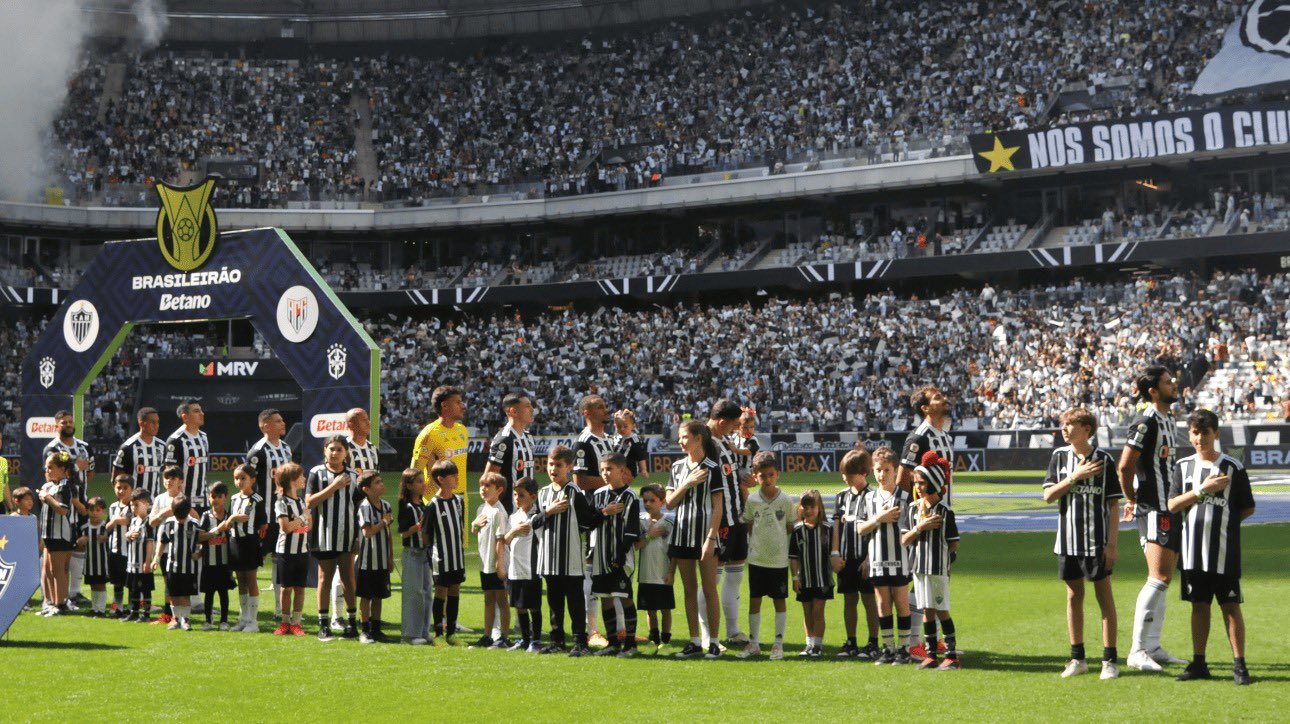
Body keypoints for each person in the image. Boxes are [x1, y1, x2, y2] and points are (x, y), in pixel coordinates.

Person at [1167, 409, 1256, 686]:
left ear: (1216, 434)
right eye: (1195, 432)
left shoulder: (1233, 467)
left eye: (1205, 433)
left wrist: (1223, 525)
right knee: (1199, 606)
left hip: (1224, 552)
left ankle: (1239, 665)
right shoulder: (1182, 467)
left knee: (1230, 606)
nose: (1200, 438)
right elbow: (1172, 505)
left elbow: (1247, 508)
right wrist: (1202, 491)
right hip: (1193, 553)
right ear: (1189, 434)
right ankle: (1199, 662)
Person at [1043, 408, 1122, 680]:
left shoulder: (1104, 460)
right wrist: (1074, 477)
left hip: (1096, 543)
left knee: (1104, 598)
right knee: (1073, 597)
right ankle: (1078, 658)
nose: (1064, 429)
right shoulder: (1059, 457)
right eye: (1063, 424)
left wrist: (1112, 545)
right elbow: (1048, 496)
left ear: (1086, 429)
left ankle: (1110, 660)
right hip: (1067, 542)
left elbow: (1113, 505)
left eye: (1070, 424)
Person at [1119, 366, 1187, 672]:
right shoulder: (1146, 421)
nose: (1174, 385)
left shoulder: (1168, 418)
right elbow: (1125, 466)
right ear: (1153, 391)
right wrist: (1133, 500)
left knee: (1165, 579)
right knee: (1157, 578)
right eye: (1168, 382)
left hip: (1169, 508)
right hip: (1154, 509)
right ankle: (1136, 650)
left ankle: (1154, 645)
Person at [529, 445, 617, 656]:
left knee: (575, 603)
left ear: (568, 467)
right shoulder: (543, 494)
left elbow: (587, 521)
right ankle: (557, 640)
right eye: (550, 464)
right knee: (554, 603)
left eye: (558, 465)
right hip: (548, 559)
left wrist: (605, 512)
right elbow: (533, 521)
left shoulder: (573, 492)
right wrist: (548, 512)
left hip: (571, 560)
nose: (553, 469)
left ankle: (580, 642)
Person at [898, 385, 954, 657]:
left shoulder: (945, 435)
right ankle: (913, 642)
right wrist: (917, 512)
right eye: (937, 398)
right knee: (918, 580)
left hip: (942, 516)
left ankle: (931, 642)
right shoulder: (919, 437)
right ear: (925, 408)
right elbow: (903, 477)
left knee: (937, 581)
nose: (944, 399)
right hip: (923, 519)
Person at [665, 419, 724, 659]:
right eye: (679, 437)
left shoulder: (712, 467)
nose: (680, 441)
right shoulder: (677, 468)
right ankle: (694, 641)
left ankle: (715, 642)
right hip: (681, 535)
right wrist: (687, 484)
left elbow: (718, 507)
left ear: (698, 438)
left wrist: (711, 538)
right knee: (689, 591)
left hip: (704, 537)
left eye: (684, 437)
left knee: (709, 590)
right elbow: (669, 502)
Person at [901, 452, 960, 670]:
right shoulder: (912, 510)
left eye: (922, 482)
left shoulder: (945, 513)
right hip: (919, 568)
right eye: (916, 483)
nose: (919, 487)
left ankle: (952, 656)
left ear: (934, 482)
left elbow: (954, 544)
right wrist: (920, 527)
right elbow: (905, 540)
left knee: (941, 610)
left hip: (937, 569)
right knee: (926, 610)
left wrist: (945, 561)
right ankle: (931, 654)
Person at [857, 447, 914, 665]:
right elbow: (860, 528)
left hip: (899, 560)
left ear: (895, 470)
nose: (882, 475)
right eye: (878, 470)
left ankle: (904, 650)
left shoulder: (905, 497)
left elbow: (909, 529)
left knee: (901, 603)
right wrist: (879, 518)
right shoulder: (869, 498)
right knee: (882, 605)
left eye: (887, 470)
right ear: (873, 471)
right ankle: (888, 649)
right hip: (878, 561)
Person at [738, 451, 797, 660]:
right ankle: (754, 643)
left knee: (779, 601)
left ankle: (778, 643)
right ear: (755, 475)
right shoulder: (753, 500)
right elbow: (749, 524)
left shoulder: (786, 500)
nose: (767, 479)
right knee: (755, 600)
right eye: (762, 476)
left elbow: (790, 526)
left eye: (771, 475)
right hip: (756, 560)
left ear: (777, 474)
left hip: (779, 561)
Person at [306, 435, 360, 641]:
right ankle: (323, 624)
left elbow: (357, 508)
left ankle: (352, 623)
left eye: (339, 449)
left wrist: (357, 535)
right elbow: (309, 502)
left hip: (346, 535)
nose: (335, 453)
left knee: (348, 577)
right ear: (324, 451)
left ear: (346, 452)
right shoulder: (316, 473)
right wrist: (334, 487)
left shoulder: (354, 475)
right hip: (323, 534)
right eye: (332, 449)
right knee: (324, 578)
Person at [588, 453, 642, 657]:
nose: (605, 473)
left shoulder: (630, 496)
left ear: (622, 471)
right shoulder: (599, 494)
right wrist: (604, 512)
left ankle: (630, 644)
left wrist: (620, 556)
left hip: (620, 557)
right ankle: (612, 643)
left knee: (625, 598)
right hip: (601, 558)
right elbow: (589, 523)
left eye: (609, 469)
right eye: (602, 470)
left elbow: (631, 530)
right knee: (605, 598)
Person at [572, 394, 615, 647]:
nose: (605, 409)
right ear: (587, 413)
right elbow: (580, 481)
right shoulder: (583, 443)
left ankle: (619, 628)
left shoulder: (608, 440)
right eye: (599, 407)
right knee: (592, 571)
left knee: (614, 568)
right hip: (594, 514)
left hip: (613, 513)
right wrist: (613, 480)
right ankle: (593, 630)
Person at [705, 399, 748, 649]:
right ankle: (707, 634)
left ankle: (733, 631)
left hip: (736, 517)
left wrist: (743, 477)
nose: (735, 429)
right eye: (733, 425)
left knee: (735, 576)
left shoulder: (724, 442)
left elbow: (730, 474)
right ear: (722, 422)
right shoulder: (706, 442)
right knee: (712, 580)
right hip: (718, 518)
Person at [832, 448, 879, 659]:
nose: (845, 477)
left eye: (850, 473)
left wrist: (870, 558)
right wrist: (834, 553)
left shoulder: (873, 496)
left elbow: (877, 530)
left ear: (864, 473)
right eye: (844, 473)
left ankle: (873, 642)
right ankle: (851, 641)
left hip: (866, 558)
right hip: (845, 557)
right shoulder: (841, 497)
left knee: (869, 600)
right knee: (849, 599)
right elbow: (835, 527)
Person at [43, 411, 92, 608]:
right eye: (64, 422)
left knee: (78, 547)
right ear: (57, 425)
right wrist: (73, 495)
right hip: (66, 506)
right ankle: (56, 600)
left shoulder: (84, 447)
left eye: (71, 421)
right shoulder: (52, 448)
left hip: (79, 503)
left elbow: (91, 471)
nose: (68, 424)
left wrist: (80, 493)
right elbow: (52, 477)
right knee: (56, 559)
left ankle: (73, 593)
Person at [246, 408, 292, 615]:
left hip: (282, 515)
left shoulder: (286, 449)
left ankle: (279, 608)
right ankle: (248, 607)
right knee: (255, 561)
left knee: (280, 559)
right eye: (278, 421)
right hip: (263, 516)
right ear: (265, 425)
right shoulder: (257, 451)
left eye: (282, 421)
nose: (283, 424)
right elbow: (249, 484)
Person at [341, 407, 380, 630]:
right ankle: (339, 613)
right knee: (347, 560)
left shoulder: (373, 450)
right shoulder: (345, 449)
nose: (368, 422)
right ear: (352, 425)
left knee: (366, 559)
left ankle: (369, 614)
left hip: (370, 512)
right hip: (349, 512)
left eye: (368, 418)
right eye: (363, 419)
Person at [425, 459, 466, 643]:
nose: (457, 478)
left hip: (457, 557)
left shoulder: (458, 501)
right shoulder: (432, 505)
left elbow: (460, 526)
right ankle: (439, 634)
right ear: (441, 479)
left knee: (455, 591)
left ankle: (451, 633)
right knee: (441, 593)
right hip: (441, 558)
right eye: (453, 476)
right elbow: (426, 535)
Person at [470, 472, 512, 649]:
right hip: (485, 562)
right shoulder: (482, 509)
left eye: (488, 486)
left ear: (499, 490)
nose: (483, 489)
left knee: (502, 600)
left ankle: (503, 636)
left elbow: (500, 539)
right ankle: (487, 635)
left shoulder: (498, 512)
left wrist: (499, 564)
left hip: (497, 563)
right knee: (488, 599)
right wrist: (474, 525)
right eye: (482, 485)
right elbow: (476, 532)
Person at [790, 489, 833, 658]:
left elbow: (833, 553)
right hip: (805, 579)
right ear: (800, 508)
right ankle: (809, 644)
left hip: (823, 579)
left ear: (819, 508)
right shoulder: (798, 530)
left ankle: (818, 645)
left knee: (818, 611)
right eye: (805, 507)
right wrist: (795, 577)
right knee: (807, 612)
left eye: (812, 507)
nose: (809, 511)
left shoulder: (827, 529)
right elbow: (794, 557)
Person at [411, 385, 469, 511]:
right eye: (458, 402)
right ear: (444, 405)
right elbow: (414, 472)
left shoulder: (462, 431)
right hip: (437, 502)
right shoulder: (429, 434)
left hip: (461, 499)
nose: (463, 406)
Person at [504, 477, 544, 653]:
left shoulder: (536, 517)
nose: (517, 498)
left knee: (533, 605)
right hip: (515, 569)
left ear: (533, 497)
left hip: (531, 569)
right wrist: (513, 531)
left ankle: (536, 640)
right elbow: (505, 539)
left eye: (521, 495)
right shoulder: (513, 517)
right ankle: (525, 639)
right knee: (519, 606)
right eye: (514, 495)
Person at [354, 470, 393, 644]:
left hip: (383, 559)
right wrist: (383, 522)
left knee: (379, 595)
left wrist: (390, 556)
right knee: (366, 596)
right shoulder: (364, 507)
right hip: (367, 560)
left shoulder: (386, 505)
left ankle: (376, 629)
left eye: (381, 481)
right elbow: (367, 532)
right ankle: (365, 629)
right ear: (366, 489)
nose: (382, 484)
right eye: (377, 482)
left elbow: (389, 533)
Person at [634, 483, 674, 653]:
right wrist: (649, 536)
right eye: (645, 500)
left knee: (665, 609)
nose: (648, 504)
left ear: (662, 501)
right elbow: (636, 546)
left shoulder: (670, 522)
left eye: (652, 500)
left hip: (663, 574)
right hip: (645, 574)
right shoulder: (641, 521)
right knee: (650, 610)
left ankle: (666, 641)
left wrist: (672, 572)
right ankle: (653, 639)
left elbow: (674, 551)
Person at [272, 462, 310, 636]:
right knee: (286, 588)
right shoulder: (281, 502)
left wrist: (304, 521)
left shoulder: (301, 501)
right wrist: (303, 517)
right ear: (292, 481)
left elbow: (307, 526)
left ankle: (296, 623)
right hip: (286, 552)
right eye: (301, 476)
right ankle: (285, 622)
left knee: (300, 588)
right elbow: (285, 528)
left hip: (302, 550)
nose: (304, 479)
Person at [155, 495, 202, 631]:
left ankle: (185, 620)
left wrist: (198, 554)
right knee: (174, 595)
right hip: (172, 566)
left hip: (189, 567)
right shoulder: (168, 523)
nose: (179, 519)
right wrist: (156, 559)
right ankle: (176, 619)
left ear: (188, 511)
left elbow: (203, 541)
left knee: (185, 595)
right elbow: (162, 542)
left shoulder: (194, 524)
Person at [38, 451, 77, 616]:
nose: (47, 471)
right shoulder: (49, 486)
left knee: (57, 570)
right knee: (46, 570)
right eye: (46, 468)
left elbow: (63, 509)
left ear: (62, 469)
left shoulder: (65, 486)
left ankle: (60, 604)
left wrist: (47, 498)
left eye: (51, 467)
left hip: (60, 534)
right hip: (48, 535)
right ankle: (49, 603)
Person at [228, 464, 265, 632]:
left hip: (250, 542)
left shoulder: (257, 499)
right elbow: (231, 518)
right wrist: (233, 519)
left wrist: (259, 541)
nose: (239, 481)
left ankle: (253, 622)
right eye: (236, 478)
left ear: (253, 480)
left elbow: (263, 523)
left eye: (243, 478)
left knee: (251, 580)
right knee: (241, 580)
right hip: (235, 542)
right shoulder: (234, 498)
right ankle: (243, 618)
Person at [398, 468, 432, 645]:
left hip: (424, 553)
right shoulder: (406, 506)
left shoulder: (423, 504)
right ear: (409, 485)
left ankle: (424, 631)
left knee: (426, 593)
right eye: (419, 481)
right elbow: (403, 533)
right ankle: (410, 634)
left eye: (423, 481)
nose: (423, 484)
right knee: (414, 593)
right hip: (412, 553)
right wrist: (418, 526)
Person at [485, 392, 536, 514]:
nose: (532, 409)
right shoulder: (504, 439)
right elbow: (489, 477)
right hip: (510, 511)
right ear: (513, 411)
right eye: (527, 406)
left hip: (529, 509)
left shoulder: (528, 437)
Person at [197, 482, 237, 631]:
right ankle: (208, 620)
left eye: (219, 496)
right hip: (209, 562)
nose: (216, 500)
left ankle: (224, 621)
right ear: (208, 497)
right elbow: (200, 537)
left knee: (223, 593)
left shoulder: (229, 517)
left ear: (225, 498)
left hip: (225, 563)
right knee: (209, 593)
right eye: (213, 496)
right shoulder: (206, 516)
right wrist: (216, 531)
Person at [165, 401, 211, 509]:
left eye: (201, 410)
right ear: (185, 417)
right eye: (196, 411)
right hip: (184, 502)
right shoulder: (175, 440)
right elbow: (170, 475)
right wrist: (179, 500)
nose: (202, 413)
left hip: (203, 500)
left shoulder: (204, 437)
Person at [112, 407, 166, 497]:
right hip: (134, 503)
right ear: (141, 423)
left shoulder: (162, 446)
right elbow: (116, 478)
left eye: (158, 422)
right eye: (153, 422)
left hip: (154, 504)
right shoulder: (128, 447)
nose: (157, 425)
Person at [121, 489, 156, 623]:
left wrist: (148, 561)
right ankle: (134, 612)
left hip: (143, 563)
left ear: (146, 504)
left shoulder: (149, 522)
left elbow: (149, 543)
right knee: (134, 588)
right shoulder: (134, 520)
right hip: (132, 562)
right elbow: (128, 534)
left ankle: (146, 614)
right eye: (132, 505)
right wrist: (128, 535)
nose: (133, 508)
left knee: (145, 589)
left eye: (136, 505)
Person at [104, 475, 135, 617]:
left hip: (130, 551)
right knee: (117, 583)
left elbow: (131, 522)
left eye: (125, 488)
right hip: (115, 550)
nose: (121, 491)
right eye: (118, 488)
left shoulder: (134, 506)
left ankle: (132, 608)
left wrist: (120, 520)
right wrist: (115, 521)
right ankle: (117, 607)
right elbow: (107, 527)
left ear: (132, 489)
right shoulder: (112, 507)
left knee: (130, 582)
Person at [76, 496, 111, 616]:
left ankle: (101, 609)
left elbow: (110, 541)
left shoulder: (105, 527)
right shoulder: (84, 528)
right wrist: (80, 542)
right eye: (92, 510)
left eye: (98, 510)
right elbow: (79, 546)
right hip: (89, 562)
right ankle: (94, 608)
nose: (95, 513)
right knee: (93, 585)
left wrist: (105, 538)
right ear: (87, 511)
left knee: (101, 585)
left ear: (103, 511)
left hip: (102, 562)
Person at [612, 409, 650, 480]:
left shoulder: (634, 439)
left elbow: (641, 456)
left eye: (625, 426)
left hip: (629, 469)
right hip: (617, 468)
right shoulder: (617, 437)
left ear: (633, 426)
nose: (622, 429)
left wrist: (644, 470)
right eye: (619, 427)